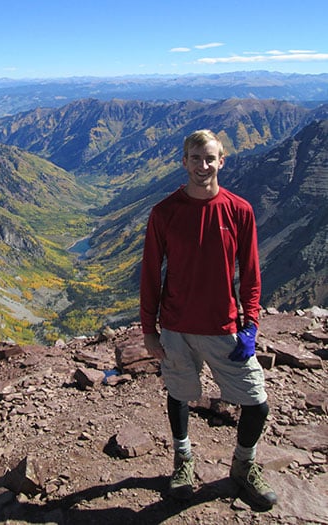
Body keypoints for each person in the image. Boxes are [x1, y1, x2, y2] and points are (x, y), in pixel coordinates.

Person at [140, 129, 277, 508]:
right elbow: (151, 273)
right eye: (195, 158)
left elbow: (250, 273)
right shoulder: (164, 213)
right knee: (179, 394)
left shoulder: (239, 211)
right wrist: (148, 330)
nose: (203, 166)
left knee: (257, 402)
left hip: (224, 326)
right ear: (184, 162)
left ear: (222, 161)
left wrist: (251, 324)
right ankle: (183, 459)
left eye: (210, 158)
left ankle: (243, 464)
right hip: (176, 327)